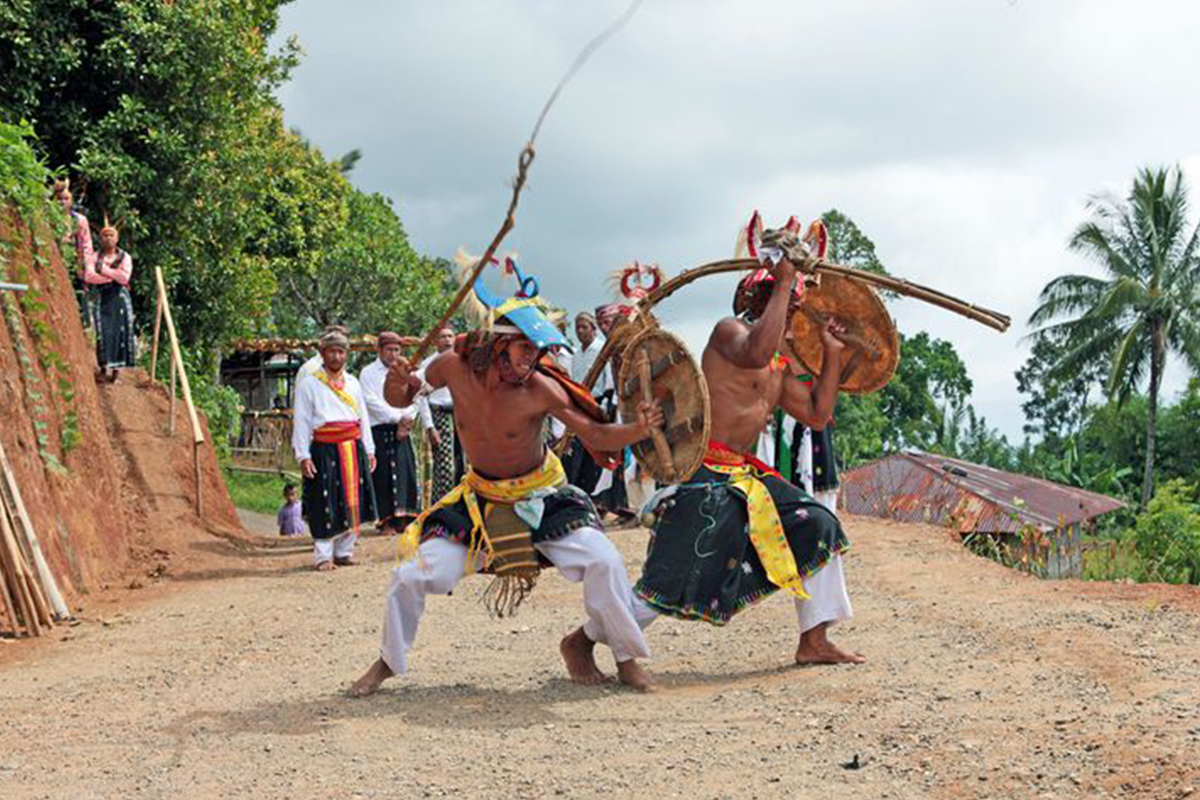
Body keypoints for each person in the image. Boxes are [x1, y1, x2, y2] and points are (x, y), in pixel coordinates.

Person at [350, 288, 664, 697]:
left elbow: (595, 433)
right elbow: (400, 398)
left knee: (604, 559)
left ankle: (625, 659)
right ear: (500, 343)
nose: (533, 357)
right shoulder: (451, 367)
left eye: (538, 349)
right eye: (525, 347)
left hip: (542, 497)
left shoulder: (541, 388)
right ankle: (388, 662)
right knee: (409, 575)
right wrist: (396, 384)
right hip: (479, 501)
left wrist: (638, 429)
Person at [633, 231, 865, 666]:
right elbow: (756, 352)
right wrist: (785, 281)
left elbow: (817, 415)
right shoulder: (730, 332)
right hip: (703, 470)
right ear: (755, 298)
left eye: (792, 303)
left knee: (819, 524)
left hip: (742, 472)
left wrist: (832, 353)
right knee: (677, 572)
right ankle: (587, 638)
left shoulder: (779, 363)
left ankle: (814, 640)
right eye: (780, 298)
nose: (790, 308)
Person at [291, 328, 378, 570]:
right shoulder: (309, 384)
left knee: (353, 500)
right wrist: (303, 455)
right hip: (324, 448)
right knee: (325, 500)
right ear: (322, 353)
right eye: (331, 351)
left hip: (352, 447)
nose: (336, 356)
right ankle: (323, 556)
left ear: (346, 354)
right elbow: (302, 420)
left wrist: (369, 449)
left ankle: (344, 552)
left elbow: (363, 417)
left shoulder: (353, 383)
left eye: (341, 352)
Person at [360, 331, 421, 533]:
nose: (393, 354)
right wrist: (398, 418)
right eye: (389, 349)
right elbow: (370, 401)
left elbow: (417, 396)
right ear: (379, 350)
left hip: (404, 429)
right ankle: (385, 521)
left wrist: (407, 419)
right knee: (383, 476)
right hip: (380, 429)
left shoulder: (407, 370)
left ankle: (404, 517)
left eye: (396, 349)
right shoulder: (368, 373)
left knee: (405, 473)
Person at [83, 221, 135, 381]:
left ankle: (116, 372)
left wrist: (103, 270)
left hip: (120, 298)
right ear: (100, 239)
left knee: (120, 332)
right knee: (102, 332)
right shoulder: (93, 257)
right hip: (102, 297)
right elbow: (89, 276)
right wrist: (113, 276)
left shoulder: (125, 257)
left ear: (117, 238)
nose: (108, 238)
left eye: (111, 235)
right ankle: (103, 368)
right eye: (105, 235)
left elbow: (124, 278)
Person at [563, 311, 609, 492]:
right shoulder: (576, 354)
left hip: (596, 405)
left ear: (593, 329)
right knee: (576, 451)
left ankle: (590, 491)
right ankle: (576, 489)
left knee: (592, 453)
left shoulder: (601, 350)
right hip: (579, 406)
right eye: (577, 328)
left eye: (584, 327)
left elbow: (608, 383)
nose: (580, 331)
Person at [417, 325, 464, 499]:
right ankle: (443, 506)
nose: (447, 340)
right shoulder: (427, 365)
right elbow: (420, 397)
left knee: (464, 463)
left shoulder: (462, 362)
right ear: (435, 342)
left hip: (461, 416)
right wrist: (430, 427)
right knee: (445, 467)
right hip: (439, 416)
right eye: (443, 337)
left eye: (450, 336)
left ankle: (463, 506)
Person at [52, 179, 95, 326]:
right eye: (59, 199)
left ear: (71, 201)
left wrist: (86, 263)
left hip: (74, 259)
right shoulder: (49, 217)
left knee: (78, 289)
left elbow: (87, 244)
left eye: (66, 199)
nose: (62, 202)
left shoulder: (79, 220)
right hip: (56, 257)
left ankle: (82, 321)